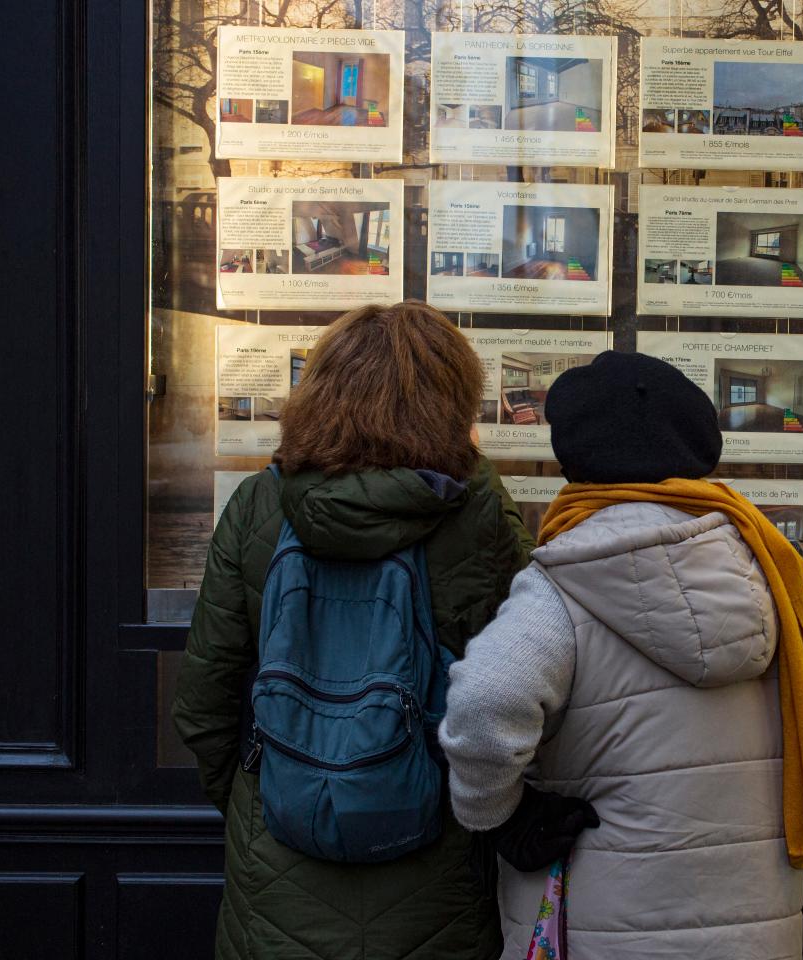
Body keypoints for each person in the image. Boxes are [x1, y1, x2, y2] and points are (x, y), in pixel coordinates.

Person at [440, 351, 803, 959]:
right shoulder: (767, 567)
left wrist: (502, 815)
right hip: (752, 927)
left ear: (574, 457)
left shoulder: (565, 578)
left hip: (605, 927)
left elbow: (486, 702)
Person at [172, 302, 534, 960]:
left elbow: (204, 702)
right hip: (439, 870)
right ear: (454, 399)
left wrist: (261, 794)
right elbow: (516, 696)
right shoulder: (478, 513)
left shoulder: (260, 507)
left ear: (321, 392)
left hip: (276, 869)